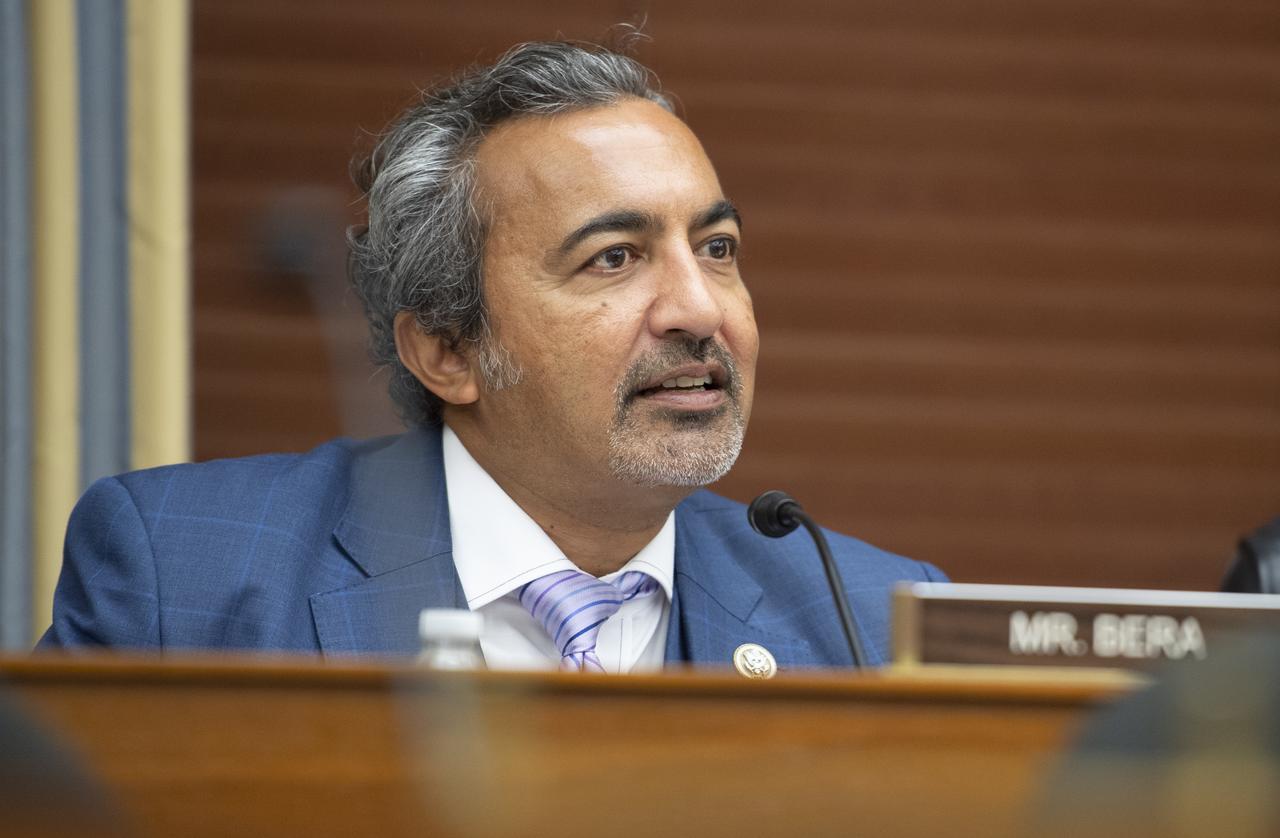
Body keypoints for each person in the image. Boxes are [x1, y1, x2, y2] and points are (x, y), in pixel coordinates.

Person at [39, 40, 946, 671]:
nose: (700, 309)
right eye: (615, 259)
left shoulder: (869, 621)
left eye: (716, 249)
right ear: (445, 347)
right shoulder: (183, 578)